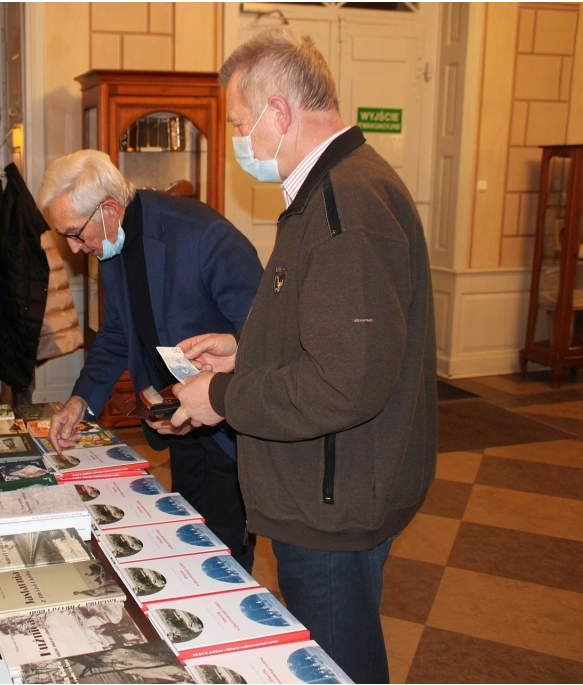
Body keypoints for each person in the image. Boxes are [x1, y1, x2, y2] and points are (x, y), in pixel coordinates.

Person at [171, 27, 437, 684]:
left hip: (332, 501)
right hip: (328, 483)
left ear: (279, 114)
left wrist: (223, 396)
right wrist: (246, 349)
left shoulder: (345, 203)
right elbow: (337, 330)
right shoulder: (327, 190)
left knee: (336, 667)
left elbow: (348, 381)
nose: (239, 141)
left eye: (239, 123)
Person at [38, 150, 264, 571]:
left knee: (225, 558)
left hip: (230, 431)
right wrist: (79, 403)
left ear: (108, 209)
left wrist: (213, 392)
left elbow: (267, 337)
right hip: (180, 422)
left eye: (73, 233)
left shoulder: (202, 236)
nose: (72, 246)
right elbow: (116, 334)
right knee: (190, 541)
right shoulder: (109, 241)